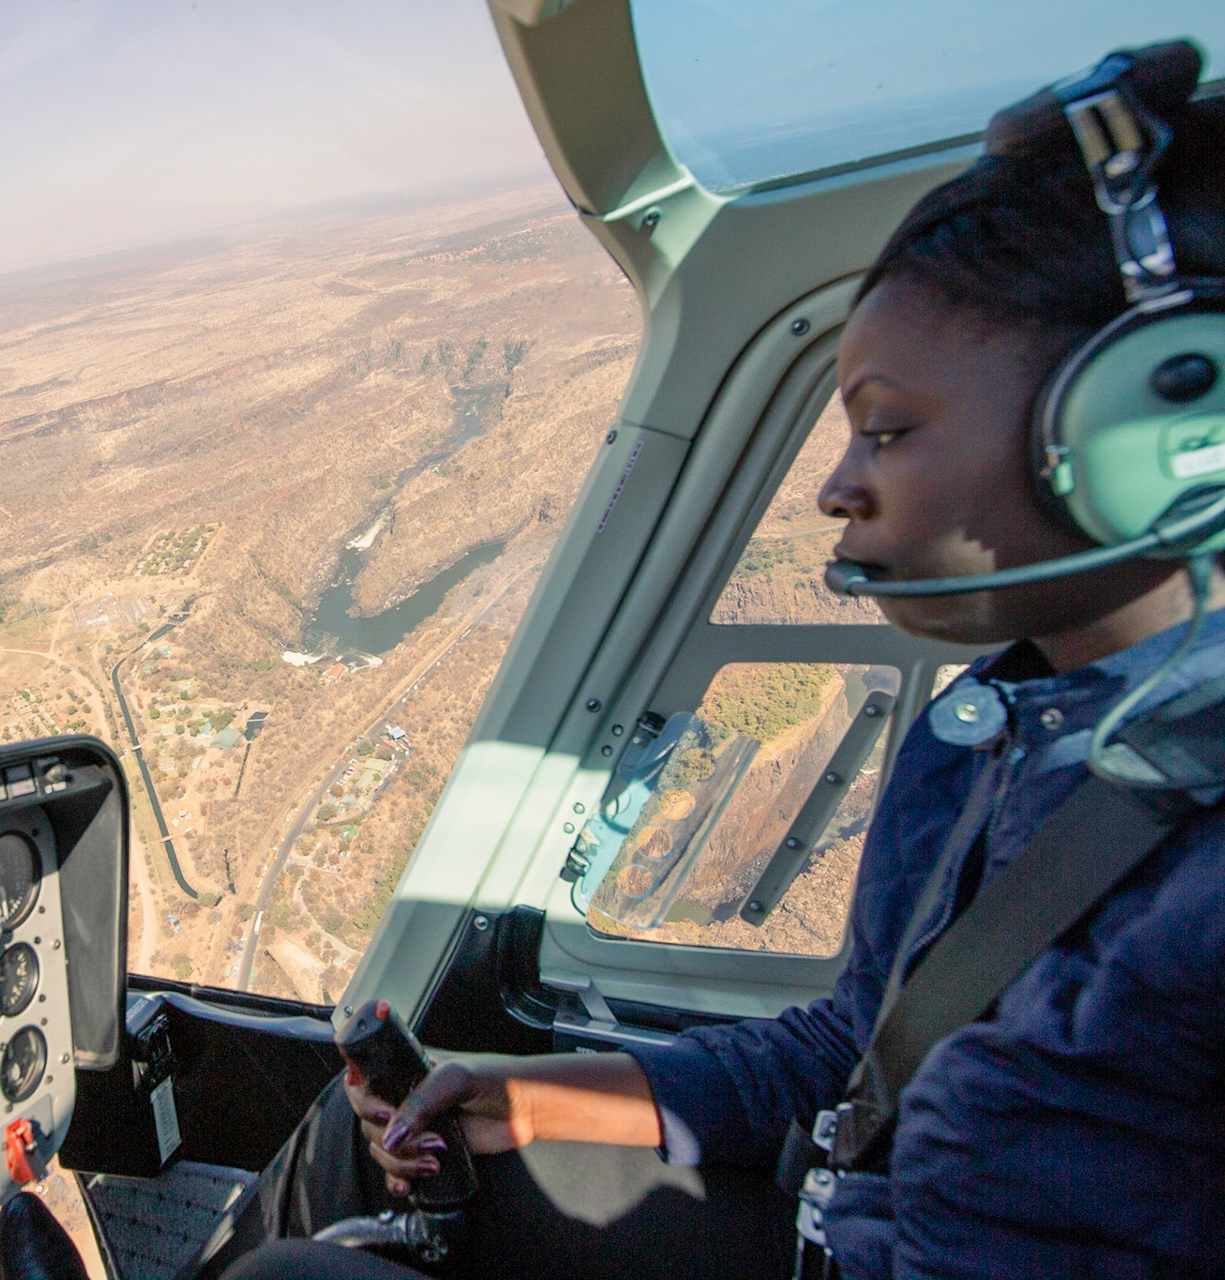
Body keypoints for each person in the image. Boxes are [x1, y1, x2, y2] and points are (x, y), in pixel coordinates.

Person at [224, 42, 1225, 1280]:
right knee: (354, 1139)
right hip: (837, 1219)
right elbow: (849, 1055)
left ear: (1165, 418)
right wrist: (520, 1097)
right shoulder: (994, 731)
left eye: (890, 428)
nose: (836, 486)